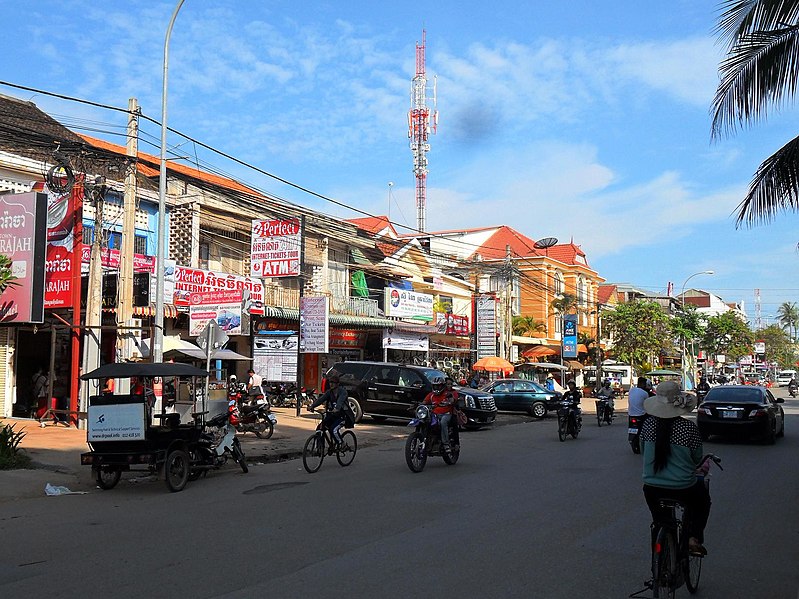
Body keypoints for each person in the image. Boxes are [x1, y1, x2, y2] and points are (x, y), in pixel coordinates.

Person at [641, 381, 710, 557]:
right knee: (703, 503)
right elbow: (696, 458)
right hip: (684, 488)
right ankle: (693, 538)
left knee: (660, 522)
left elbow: (643, 451)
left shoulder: (648, 425)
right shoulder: (688, 428)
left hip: (651, 488)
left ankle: (659, 563)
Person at [308, 370, 348, 447]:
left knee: (333, 430)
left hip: (341, 416)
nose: (331, 384)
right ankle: (320, 448)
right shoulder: (329, 392)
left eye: (333, 382)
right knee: (319, 428)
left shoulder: (343, 392)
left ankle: (341, 443)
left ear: (338, 384)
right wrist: (312, 406)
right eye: (330, 382)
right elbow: (321, 399)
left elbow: (340, 401)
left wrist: (337, 408)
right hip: (331, 415)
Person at [423, 375, 455, 450]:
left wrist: (449, 402)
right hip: (434, 414)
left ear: (443, 386)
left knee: (443, 422)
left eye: (439, 386)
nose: (437, 388)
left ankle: (446, 444)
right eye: (435, 386)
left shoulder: (447, 394)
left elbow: (452, 400)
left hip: (446, 414)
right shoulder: (431, 395)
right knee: (424, 420)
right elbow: (424, 402)